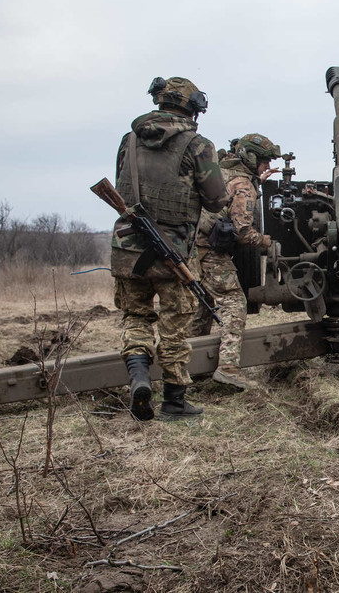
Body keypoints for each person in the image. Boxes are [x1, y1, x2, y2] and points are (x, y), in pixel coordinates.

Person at [110, 76, 227, 422]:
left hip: (128, 249)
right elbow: (217, 199)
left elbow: (122, 188)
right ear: (192, 109)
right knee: (174, 328)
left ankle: (140, 377)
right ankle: (174, 401)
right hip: (172, 254)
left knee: (136, 317)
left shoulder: (129, 140)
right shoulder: (199, 145)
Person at [189, 133, 281, 390]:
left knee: (203, 305)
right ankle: (228, 368)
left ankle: (187, 366)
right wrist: (265, 241)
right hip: (210, 252)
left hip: (192, 249)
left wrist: (256, 183)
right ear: (250, 158)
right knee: (234, 302)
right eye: (263, 161)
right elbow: (242, 232)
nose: (265, 166)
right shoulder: (242, 184)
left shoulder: (222, 171)